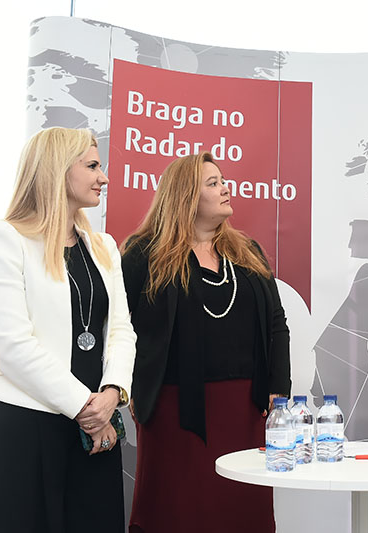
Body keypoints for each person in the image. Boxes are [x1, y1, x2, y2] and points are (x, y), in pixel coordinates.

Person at [0, 127, 136, 532]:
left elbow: (121, 330)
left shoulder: (104, 246)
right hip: (24, 433)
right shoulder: (4, 239)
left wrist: (112, 394)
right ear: (58, 169)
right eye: (93, 166)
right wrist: (86, 407)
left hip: (93, 434)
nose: (103, 177)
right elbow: (13, 346)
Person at [122, 151, 291, 533]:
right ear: (186, 196)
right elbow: (118, 329)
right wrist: (126, 386)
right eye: (213, 183)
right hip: (172, 410)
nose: (226, 188)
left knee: (241, 511)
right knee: (178, 512)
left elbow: (276, 324)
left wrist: (278, 389)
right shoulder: (143, 255)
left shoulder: (247, 253)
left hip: (244, 409)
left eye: (223, 180)